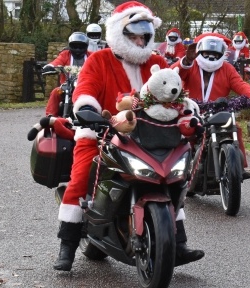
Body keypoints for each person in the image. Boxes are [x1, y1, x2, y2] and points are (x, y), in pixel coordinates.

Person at [53, 1, 205, 272]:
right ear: (118, 33)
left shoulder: (157, 62)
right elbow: (86, 88)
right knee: (80, 178)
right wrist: (87, 108)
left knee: (173, 180)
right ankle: (67, 246)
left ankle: (177, 243)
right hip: (101, 132)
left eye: (144, 36)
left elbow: (176, 92)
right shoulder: (100, 60)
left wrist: (190, 112)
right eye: (133, 35)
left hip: (153, 137)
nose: (139, 40)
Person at [171, 32, 250, 178]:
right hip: (192, 111)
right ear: (199, 51)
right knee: (184, 131)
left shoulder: (227, 68)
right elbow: (173, 75)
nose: (211, 56)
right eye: (207, 53)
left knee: (235, 129)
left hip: (218, 111)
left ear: (222, 53)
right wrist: (186, 60)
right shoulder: (191, 64)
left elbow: (241, 85)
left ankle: (238, 168)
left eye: (215, 53)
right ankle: (178, 166)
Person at [43, 32, 92, 116]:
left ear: (86, 46)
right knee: (56, 92)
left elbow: (99, 64)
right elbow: (57, 61)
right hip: (67, 85)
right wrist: (50, 66)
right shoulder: (65, 54)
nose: (77, 49)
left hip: (87, 86)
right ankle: (50, 117)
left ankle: (101, 117)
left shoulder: (92, 55)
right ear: (70, 46)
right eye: (75, 46)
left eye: (81, 46)